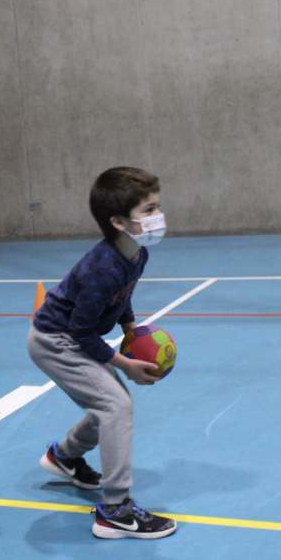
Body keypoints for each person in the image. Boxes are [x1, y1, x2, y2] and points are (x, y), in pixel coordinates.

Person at [28, 166, 177, 540]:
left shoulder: (137, 254)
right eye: (148, 210)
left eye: (157, 207)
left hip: (74, 337)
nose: (158, 216)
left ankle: (63, 457)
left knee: (109, 404)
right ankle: (115, 509)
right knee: (116, 405)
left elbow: (122, 296)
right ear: (118, 222)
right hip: (56, 341)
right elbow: (80, 332)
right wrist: (126, 364)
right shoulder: (102, 267)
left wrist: (130, 329)